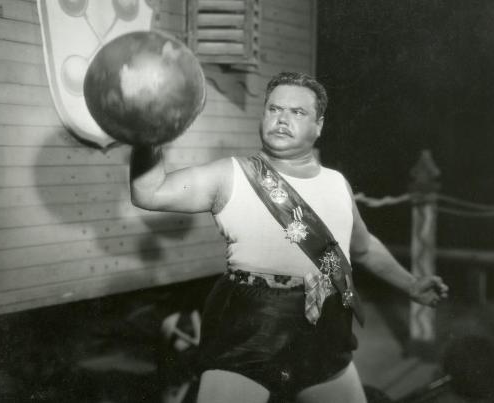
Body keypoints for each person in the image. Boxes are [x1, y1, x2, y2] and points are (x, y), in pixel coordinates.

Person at [129, 71, 449, 403]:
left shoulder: (337, 183)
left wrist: (411, 284)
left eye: (298, 112)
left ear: (319, 125)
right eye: (274, 109)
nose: (282, 119)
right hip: (249, 327)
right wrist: (149, 135)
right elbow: (149, 192)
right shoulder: (231, 174)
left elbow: (364, 248)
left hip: (325, 325)